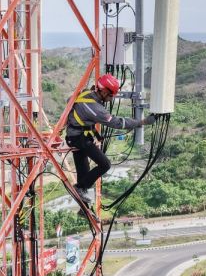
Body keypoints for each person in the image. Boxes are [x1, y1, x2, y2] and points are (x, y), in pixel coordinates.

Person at [64, 74, 153, 202]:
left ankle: (83, 206)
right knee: (105, 164)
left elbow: (77, 110)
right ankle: (79, 189)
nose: (112, 98)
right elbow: (117, 123)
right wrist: (142, 122)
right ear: (104, 91)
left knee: (84, 176)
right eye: (111, 95)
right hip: (79, 139)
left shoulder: (86, 94)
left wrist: (95, 133)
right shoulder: (95, 108)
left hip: (75, 136)